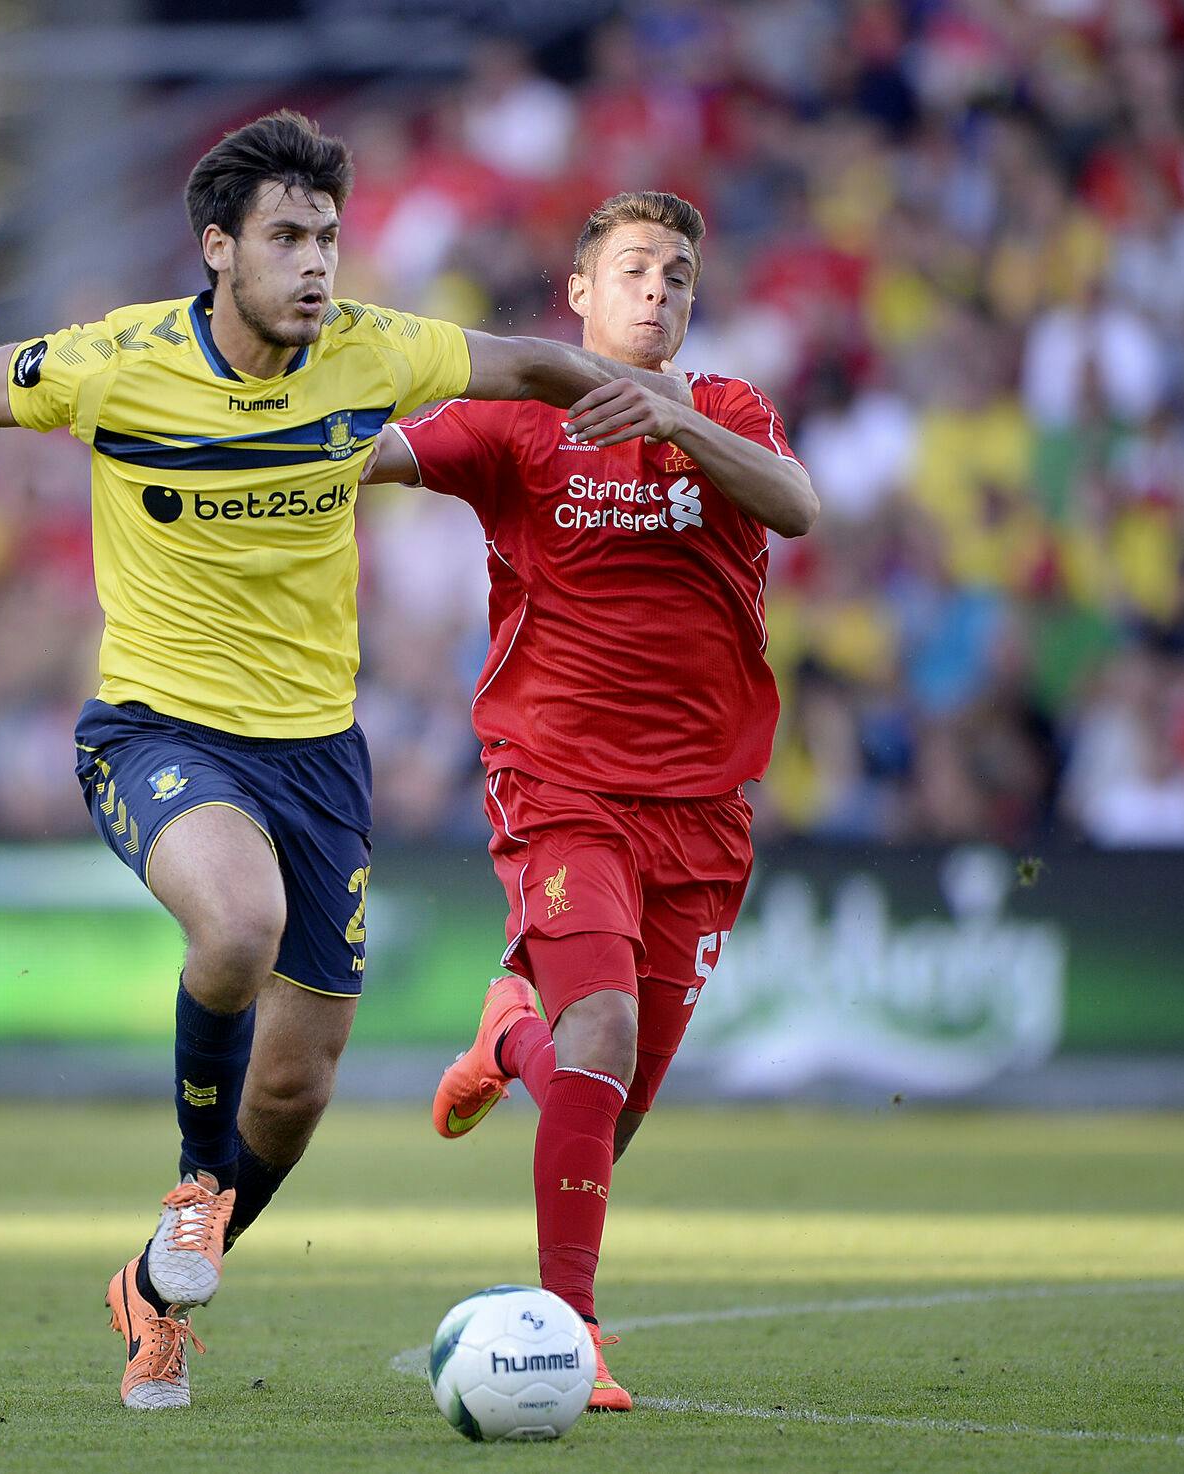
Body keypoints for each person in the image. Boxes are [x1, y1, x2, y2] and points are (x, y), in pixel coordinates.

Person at [0, 111, 690, 1412]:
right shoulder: (117, 363)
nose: (316, 266)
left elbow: (524, 362)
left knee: (296, 1085)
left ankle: (158, 1283)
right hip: (157, 733)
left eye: (329, 240)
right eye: (288, 238)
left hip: (319, 759)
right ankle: (194, 1188)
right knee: (237, 926)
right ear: (218, 249)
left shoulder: (375, 352)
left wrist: (640, 397)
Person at [363, 190, 818, 1409]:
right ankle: (573, 1331)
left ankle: (508, 1033)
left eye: (678, 272)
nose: (658, 289)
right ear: (580, 290)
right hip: (560, 784)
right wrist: (273, 429)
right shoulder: (522, 418)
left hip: (707, 809)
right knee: (602, 1039)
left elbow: (798, 503)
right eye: (633, 268)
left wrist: (667, 413)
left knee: (602, 1108)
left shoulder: (725, 410)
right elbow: (386, 451)